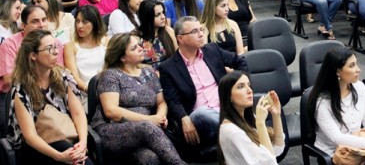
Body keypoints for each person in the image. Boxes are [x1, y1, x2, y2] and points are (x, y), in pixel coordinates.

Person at [91, 33, 188, 164]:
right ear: (122, 58)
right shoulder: (111, 75)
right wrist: (150, 119)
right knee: (146, 127)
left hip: (146, 132)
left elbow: (161, 102)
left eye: (138, 45)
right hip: (112, 130)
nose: (141, 48)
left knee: (149, 159)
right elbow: (111, 111)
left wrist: (160, 117)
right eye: (134, 48)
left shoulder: (149, 73)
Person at [159, 16, 248, 158]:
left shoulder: (212, 50)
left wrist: (242, 84)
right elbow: (172, 100)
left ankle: (237, 135)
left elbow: (240, 61)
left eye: (201, 29)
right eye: (195, 31)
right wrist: (184, 118)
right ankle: (242, 130)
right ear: (180, 38)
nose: (201, 34)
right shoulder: (168, 67)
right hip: (199, 117)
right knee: (203, 112)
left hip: (225, 106)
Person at [8, 30, 91, 164]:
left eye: (55, 47)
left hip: (66, 138)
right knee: (68, 152)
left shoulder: (64, 77)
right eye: (49, 49)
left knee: (73, 152)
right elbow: (30, 136)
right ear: (33, 55)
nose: (56, 52)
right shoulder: (21, 89)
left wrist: (82, 143)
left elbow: (78, 114)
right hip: (36, 148)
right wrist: (59, 156)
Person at [306, 47, 365, 163]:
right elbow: (338, 138)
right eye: (352, 66)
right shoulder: (322, 102)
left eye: (356, 64)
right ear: (338, 71)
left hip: (359, 147)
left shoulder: (359, 87)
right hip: (336, 155)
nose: (358, 69)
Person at [218, 71, 285, 165]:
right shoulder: (232, 132)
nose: (249, 90)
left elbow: (278, 149)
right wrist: (260, 123)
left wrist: (276, 115)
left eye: (249, 85)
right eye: (241, 87)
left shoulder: (246, 118)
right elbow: (269, 163)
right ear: (229, 96)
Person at [64, 5, 107, 104]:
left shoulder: (106, 41)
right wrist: (90, 90)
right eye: (77, 21)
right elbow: (74, 77)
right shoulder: (70, 46)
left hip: (107, 88)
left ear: (94, 23)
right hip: (85, 93)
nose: (79, 26)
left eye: (84, 22)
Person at [135, 0, 177, 69]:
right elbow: (134, 65)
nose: (163, 17)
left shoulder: (169, 31)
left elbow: (177, 56)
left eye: (163, 12)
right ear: (147, 17)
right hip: (147, 74)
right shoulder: (136, 37)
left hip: (169, 72)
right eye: (157, 15)